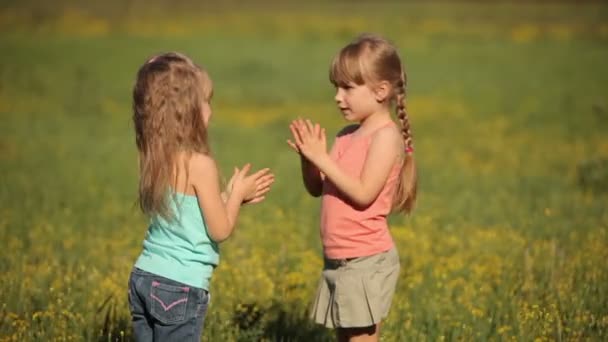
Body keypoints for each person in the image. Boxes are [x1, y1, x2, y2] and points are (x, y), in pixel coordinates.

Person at [128, 52, 274, 341]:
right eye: (206, 101)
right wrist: (236, 197)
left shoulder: (156, 157)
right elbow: (219, 230)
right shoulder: (200, 164)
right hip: (179, 287)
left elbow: (188, 211)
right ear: (187, 110)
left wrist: (229, 195)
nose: (211, 110)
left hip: (144, 277)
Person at [287, 34, 417, 341]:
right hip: (338, 258)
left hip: (365, 260)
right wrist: (309, 161)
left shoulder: (386, 137)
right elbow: (317, 188)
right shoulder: (346, 135)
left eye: (347, 87)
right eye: (336, 87)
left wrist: (322, 158)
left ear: (381, 91)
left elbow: (363, 193)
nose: (337, 97)